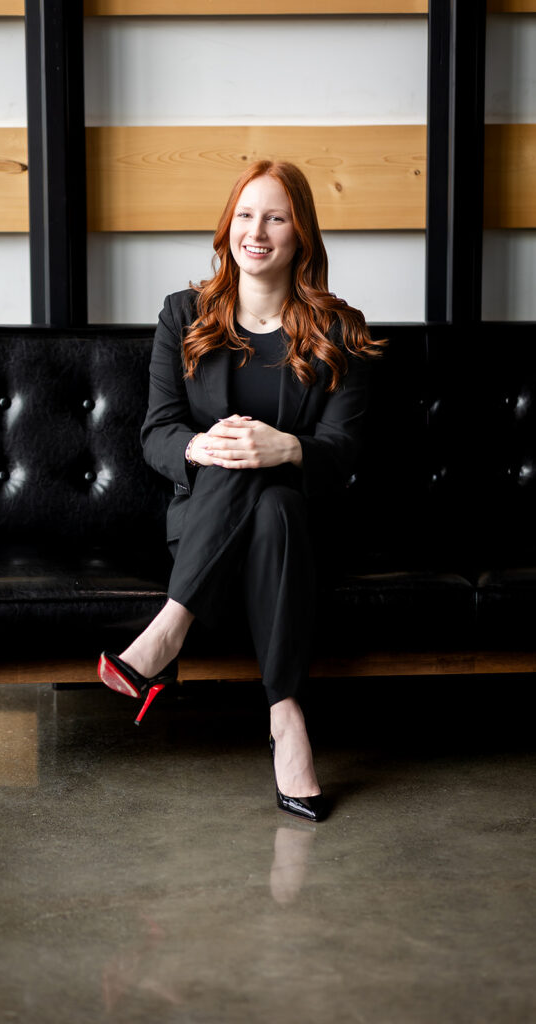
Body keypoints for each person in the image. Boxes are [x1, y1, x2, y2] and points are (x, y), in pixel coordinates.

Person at [97, 160, 386, 822]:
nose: (256, 232)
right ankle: (287, 716)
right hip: (205, 524)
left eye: (275, 218)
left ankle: (167, 633)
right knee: (233, 446)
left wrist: (286, 447)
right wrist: (201, 446)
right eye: (245, 215)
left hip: (299, 529)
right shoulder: (183, 315)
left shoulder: (339, 329)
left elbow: (342, 452)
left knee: (275, 492)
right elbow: (158, 431)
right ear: (228, 226)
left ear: (300, 233)